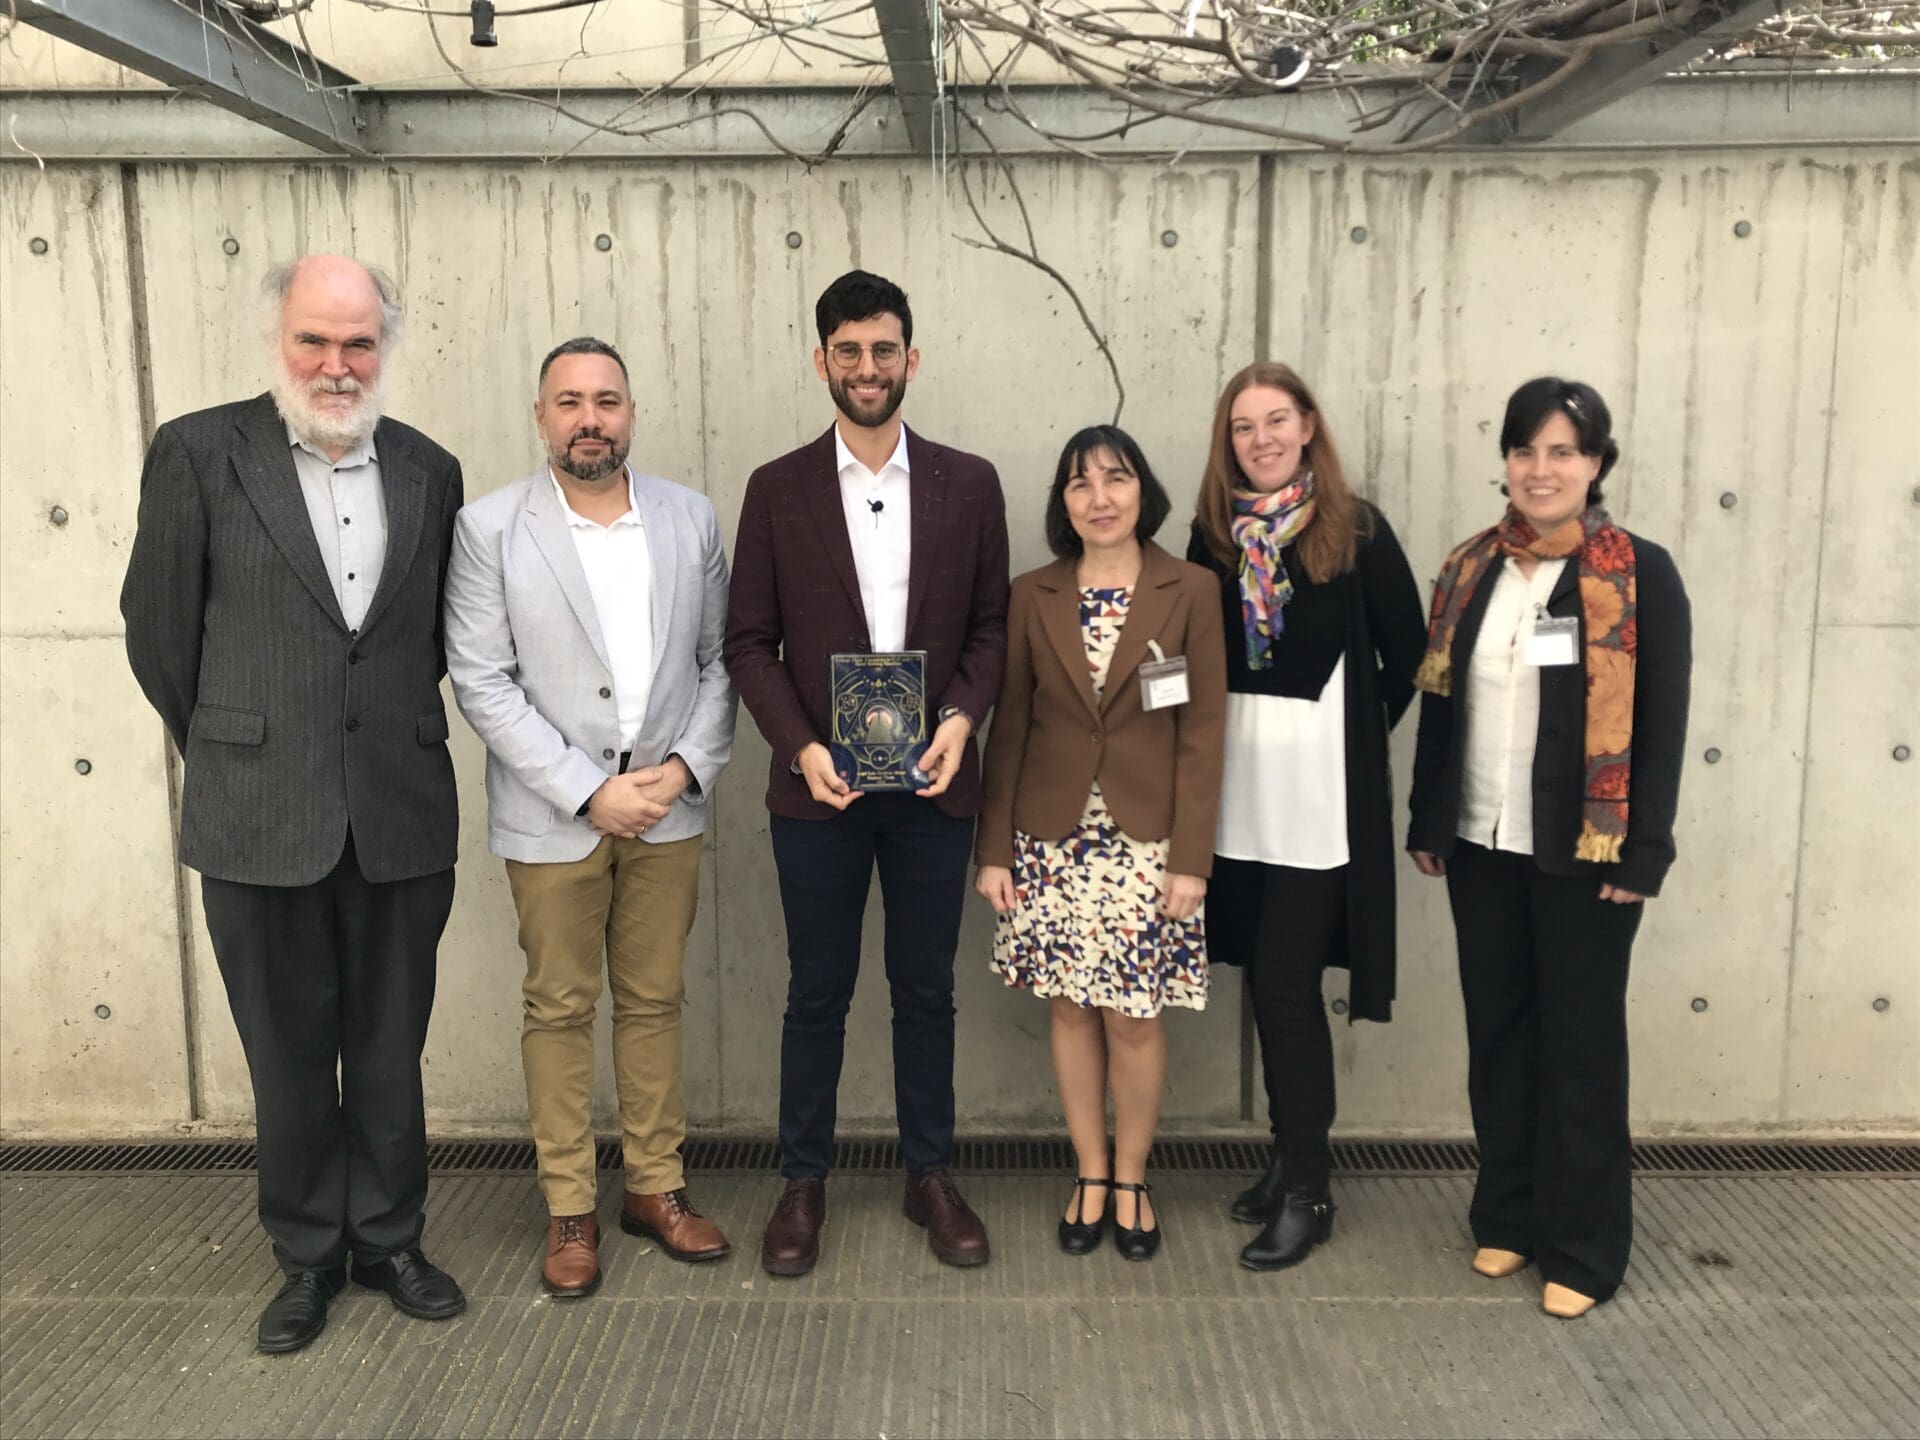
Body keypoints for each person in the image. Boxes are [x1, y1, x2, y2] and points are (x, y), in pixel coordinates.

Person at [120, 255, 466, 1353]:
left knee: (387, 1042)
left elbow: (432, 644)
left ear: (385, 348)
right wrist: (238, 744)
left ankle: (391, 1238)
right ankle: (308, 1256)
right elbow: (159, 634)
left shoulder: (429, 469)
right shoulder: (198, 452)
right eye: (315, 339)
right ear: (280, 337)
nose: (335, 362)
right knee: (285, 1048)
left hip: (400, 809)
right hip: (257, 810)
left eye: (357, 342)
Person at [724, 270, 1010, 1276]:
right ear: (822, 363)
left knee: (925, 989)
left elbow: (989, 628)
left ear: (911, 359)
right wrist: (801, 746)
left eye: (883, 350)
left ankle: (927, 1172)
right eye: (848, 352)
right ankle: (803, 1181)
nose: (867, 369)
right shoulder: (777, 488)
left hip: (932, 787)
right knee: (817, 991)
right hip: (819, 793)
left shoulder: (968, 484)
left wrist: (964, 720)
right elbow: (748, 643)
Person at [443, 337, 738, 1299]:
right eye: (568, 401)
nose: (589, 418)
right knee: (560, 1008)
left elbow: (720, 658)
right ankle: (569, 1205)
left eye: (606, 400)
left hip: (668, 811)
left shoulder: (689, 519)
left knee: (655, 1002)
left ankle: (656, 1187)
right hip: (554, 817)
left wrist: (684, 766)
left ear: (631, 412)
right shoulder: (489, 528)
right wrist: (587, 789)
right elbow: (483, 682)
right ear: (540, 417)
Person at [1407, 377, 1692, 1319]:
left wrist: (1641, 855)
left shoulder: (1638, 573)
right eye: (1527, 450)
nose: (1542, 470)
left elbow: (1659, 728)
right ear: (1506, 461)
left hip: (1586, 852)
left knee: (1579, 1046)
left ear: (1597, 464)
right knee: (1500, 1033)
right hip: (1482, 839)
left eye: (1564, 452)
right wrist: (1428, 817)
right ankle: (1510, 1216)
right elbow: (1442, 703)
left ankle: (1585, 1245)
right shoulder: (1468, 566)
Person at [1186, 362, 1427, 1271]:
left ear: (1308, 424)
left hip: (1317, 806)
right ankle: (1287, 1163)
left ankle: (1311, 1188)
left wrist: (1352, 743)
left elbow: (1408, 656)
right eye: (1243, 428)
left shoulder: (1355, 529)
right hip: (1235, 798)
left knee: (1287, 988)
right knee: (1261, 979)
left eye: (1275, 421)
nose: (1261, 439)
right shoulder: (1212, 538)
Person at [976, 427, 1226, 1261]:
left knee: (1134, 1016)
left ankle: (1131, 1176)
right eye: (1081, 485)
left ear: (1140, 491)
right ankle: (1087, 1172)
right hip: (1049, 839)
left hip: (1147, 845)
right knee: (1071, 1009)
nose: (1100, 497)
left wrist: (1193, 857)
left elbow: (1203, 732)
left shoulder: (1188, 589)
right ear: (1064, 503)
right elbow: (1008, 727)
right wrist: (994, 850)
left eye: (1115, 479)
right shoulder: (1031, 593)